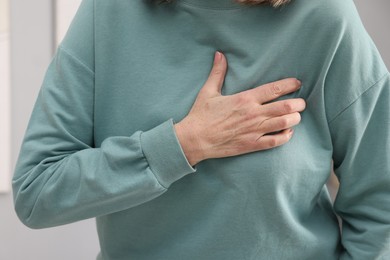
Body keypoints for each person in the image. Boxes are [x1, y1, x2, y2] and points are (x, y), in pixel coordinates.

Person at [13, 0, 390, 259]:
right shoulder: (108, 11)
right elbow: (36, 191)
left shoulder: (326, 17)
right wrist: (185, 143)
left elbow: (381, 205)